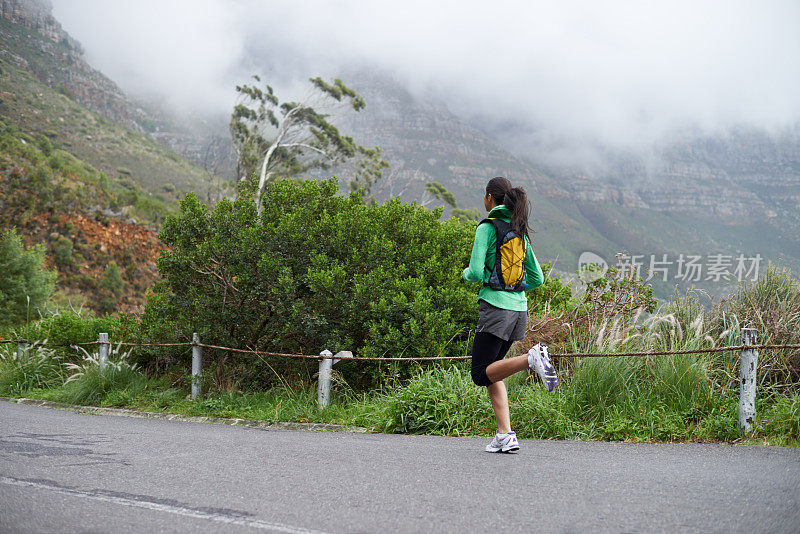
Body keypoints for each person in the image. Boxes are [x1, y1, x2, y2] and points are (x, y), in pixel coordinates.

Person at [462, 176, 555, 453]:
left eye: (484, 195)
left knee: (480, 374)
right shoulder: (519, 230)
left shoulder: (488, 228)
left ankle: (531, 358)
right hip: (519, 311)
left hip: (496, 308)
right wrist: (514, 287)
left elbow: (477, 272)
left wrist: (466, 273)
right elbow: (537, 278)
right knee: (494, 372)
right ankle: (505, 435)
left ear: (490, 197)